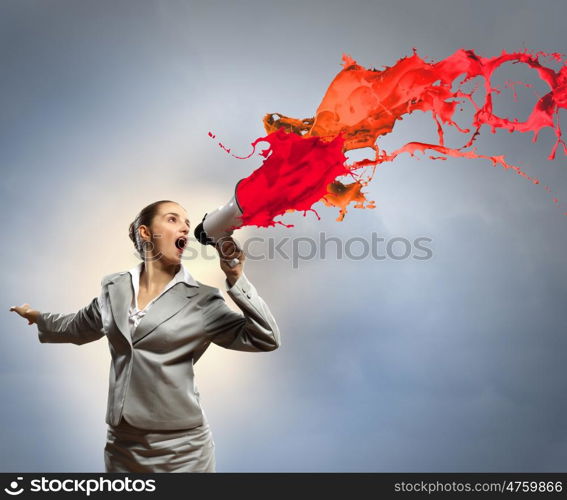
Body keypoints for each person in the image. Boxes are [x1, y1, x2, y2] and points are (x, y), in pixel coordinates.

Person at [9, 200, 281, 473]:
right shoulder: (113, 288)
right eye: (173, 219)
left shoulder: (203, 300)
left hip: (182, 448)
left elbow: (265, 337)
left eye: (187, 223)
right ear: (145, 232)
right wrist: (38, 317)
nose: (185, 227)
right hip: (122, 443)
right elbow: (80, 325)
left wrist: (236, 279)